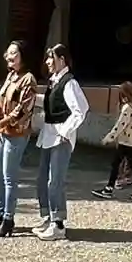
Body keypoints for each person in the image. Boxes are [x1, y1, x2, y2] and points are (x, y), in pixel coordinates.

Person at [34, 45, 89, 241]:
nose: (48, 62)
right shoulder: (54, 81)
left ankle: (58, 224)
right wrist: (32, 98)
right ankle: (48, 217)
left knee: (55, 180)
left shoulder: (69, 82)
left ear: (62, 59)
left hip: (60, 137)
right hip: (48, 135)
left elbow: (81, 109)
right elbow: (53, 102)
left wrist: (66, 132)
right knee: (42, 179)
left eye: (51, 58)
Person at [0, 41, 38, 238]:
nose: (9, 56)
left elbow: (22, 111)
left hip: (16, 133)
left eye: (13, 53)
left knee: (9, 178)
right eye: (8, 53)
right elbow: (1, 97)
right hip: (2, 131)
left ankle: (8, 219)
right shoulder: (11, 76)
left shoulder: (28, 79)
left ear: (23, 55)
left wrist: (1, 123)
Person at [93, 82, 132, 199]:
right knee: (129, 164)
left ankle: (109, 189)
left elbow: (120, 125)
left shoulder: (127, 108)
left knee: (118, 164)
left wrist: (109, 137)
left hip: (126, 141)